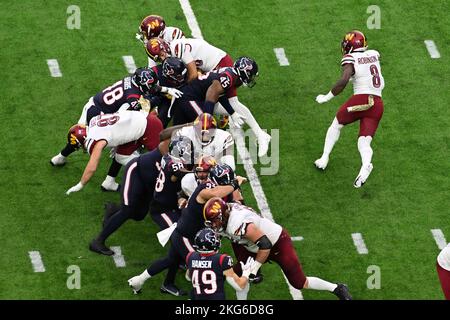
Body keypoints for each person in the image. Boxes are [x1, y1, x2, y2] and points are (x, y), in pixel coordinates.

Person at [50, 67, 182, 191]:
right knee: (114, 140)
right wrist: (114, 140)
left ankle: (60, 157)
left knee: (79, 134)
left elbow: (146, 89)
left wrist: (165, 90)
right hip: (103, 114)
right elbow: (120, 116)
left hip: (92, 105)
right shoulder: (133, 98)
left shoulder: (131, 81)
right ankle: (110, 179)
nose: (153, 88)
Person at [127, 165, 246, 296]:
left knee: (171, 260)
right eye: (226, 182)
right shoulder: (206, 188)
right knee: (202, 266)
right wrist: (234, 184)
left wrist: (236, 192)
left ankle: (141, 280)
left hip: (191, 232)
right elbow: (216, 194)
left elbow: (231, 203)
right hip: (186, 235)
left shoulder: (221, 191)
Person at [203, 198, 353, 300]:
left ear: (225, 215)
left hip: (275, 244)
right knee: (238, 275)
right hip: (249, 244)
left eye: (215, 221)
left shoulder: (238, 223)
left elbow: (265, 245)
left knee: (299, 283)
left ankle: (337, 288)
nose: (214, 225)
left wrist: (254, 267)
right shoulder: (227, 215)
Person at [145, 39, 271, 157]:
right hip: (198, 90)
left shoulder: (178, 48)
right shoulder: (227, 75)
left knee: (233, 105)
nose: (162, 57)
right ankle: (188, 153)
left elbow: (196, 76)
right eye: (159, 57)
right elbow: (213, 91)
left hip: (217, 62)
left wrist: (208, 115)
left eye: (162, 53)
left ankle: (260, 135)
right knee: (198, 126)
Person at [89, 124, 189, 255]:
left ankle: (113, 210)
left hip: (151, 180)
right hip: (136, 171)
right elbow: (164, 135)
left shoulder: (190, 149)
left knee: (139, 214)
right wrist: (189, 126)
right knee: (128, 209)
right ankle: (98, 241)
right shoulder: (174, 140)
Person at [314, 30, 385, 188]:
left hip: (362, 99)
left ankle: (324, 157)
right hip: (378, 104)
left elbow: (344, 79)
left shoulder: (351, 58)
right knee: (364, 141)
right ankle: (366, 164)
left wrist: (327, 97)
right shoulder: (374, 54)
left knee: (336, 124)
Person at [65, 110, 163, 195]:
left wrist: (80, 184)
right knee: (121, 156)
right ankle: (143, 165)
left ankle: (159, 183)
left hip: (149, 127)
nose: (82, 148)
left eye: (80, 146)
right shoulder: (93, 121)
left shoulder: (94, 139)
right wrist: (116, 144)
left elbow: (92, 166)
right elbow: (114, 127)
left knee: (161, 161)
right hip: (141, 119)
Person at [186, 228, 253, 300]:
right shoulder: (221, 260)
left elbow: (188, 277)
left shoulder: (190, 256)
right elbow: (239, 286)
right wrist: (246, 273)